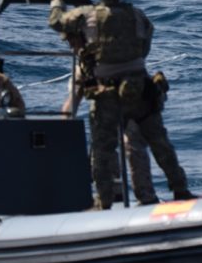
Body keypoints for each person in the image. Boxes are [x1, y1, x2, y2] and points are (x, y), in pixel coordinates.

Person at [47, 0, 194, 210]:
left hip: (106, 95)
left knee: (103, 151)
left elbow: (56, 22)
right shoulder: (138, 15)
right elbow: (144, 47)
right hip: (140, 90)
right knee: (159, 143)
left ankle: (103, 203)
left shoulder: (87, 15)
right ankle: (180, 189)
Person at [60, 40, 159, 206]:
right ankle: (113, 193)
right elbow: (72, 102)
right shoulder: (86, 67)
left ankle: (144, 196)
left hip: (132, 101)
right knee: (105, 146)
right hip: (107, 108)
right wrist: (63, 128)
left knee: (131, 143)